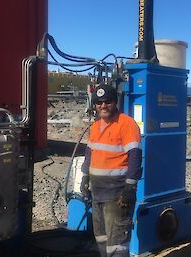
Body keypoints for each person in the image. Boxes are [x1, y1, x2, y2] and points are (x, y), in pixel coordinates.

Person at [80, 84, 142, 257]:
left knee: (117, 245)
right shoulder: (95, 126)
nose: (103, 106)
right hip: (97, 193)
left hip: (117, 195)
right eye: (99, 102)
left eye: (108, 101)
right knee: (101, 238)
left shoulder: (127, 124)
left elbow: (135, 156)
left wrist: (130, 186)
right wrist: (85, 177)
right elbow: (89, 153)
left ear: (115, 102)